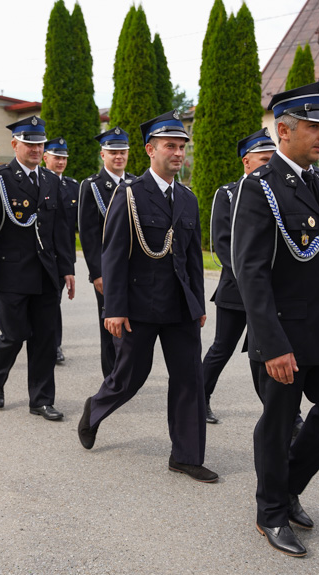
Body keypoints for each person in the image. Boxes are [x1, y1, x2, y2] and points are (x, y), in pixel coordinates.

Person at [232, 82, 319, 557]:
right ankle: (270, 512)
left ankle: (287, 486)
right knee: (278, 421)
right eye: (314, 127)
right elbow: (251, 272)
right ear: (283, 131)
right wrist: (271, 342)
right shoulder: (259, 187)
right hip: (284, 331)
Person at [77, 110, 218, 484]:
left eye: (182, 146)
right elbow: (113, 255)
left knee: (189, 380)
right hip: (139, 306)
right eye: (170, 146)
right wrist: (115, 308)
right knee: (129, 378)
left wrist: (198, 305)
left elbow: (192, 259)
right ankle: (94, 410)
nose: (178, 153)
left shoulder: (188, 199)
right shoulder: (130, 196)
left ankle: (186, 456)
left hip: (179, 308)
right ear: (150, 150)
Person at [0, 117, 75, 420]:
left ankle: (41, 400)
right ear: (15, 144)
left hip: (46, 273)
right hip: (12, 273)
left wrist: (67, 268)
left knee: (44, 338)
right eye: (29, 143)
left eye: (39, 143)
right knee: (14, 335)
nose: (35, 148)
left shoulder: (50, 180)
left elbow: (60, 229)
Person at [202, 128, 275, 424]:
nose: (270, 166)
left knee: (270, 350)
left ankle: (287, 414)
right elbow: (222, 244)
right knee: (223, 348)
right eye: (264, 160)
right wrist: (249, 281)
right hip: (236, 288)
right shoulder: (228, 193)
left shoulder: (278, 192)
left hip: (272, 290)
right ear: (247, 161)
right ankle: (199, 398)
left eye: (273, 159)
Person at [77, 126, 136, 378]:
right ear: (103, 155)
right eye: (113, 152)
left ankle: (128, 370)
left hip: (134, 266)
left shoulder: (136, 182)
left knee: (133, 320)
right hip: (107, 269)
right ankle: (111, 376)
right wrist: (96, 273)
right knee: (109, 322)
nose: (119, 156)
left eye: (122, 151)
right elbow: (88, 234)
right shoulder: (92, 186)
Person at [43, 137, 78, 364]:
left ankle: (54, 345)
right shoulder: (39, 182)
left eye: (64, 158)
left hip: (62, 255)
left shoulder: (73, 186)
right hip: (41, 252)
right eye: (57, 157)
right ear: (46, 157)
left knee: (54, 304)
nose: (61, 162)